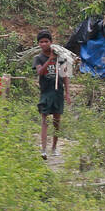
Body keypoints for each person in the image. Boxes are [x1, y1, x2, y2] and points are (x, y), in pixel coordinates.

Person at [33, 29, 69, 159]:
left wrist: (68, 93)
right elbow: (40, 72)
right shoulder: (38, 58)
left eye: (46, 41)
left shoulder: (61, 57)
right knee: (44, 120)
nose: (43, 44)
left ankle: (54, 148)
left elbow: (65, 76)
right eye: (41, 42)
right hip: (46, 93)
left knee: (57, 122)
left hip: (58, 92)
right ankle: (43, 149)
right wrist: (50, 60)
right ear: (38, 44)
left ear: (51, 42)